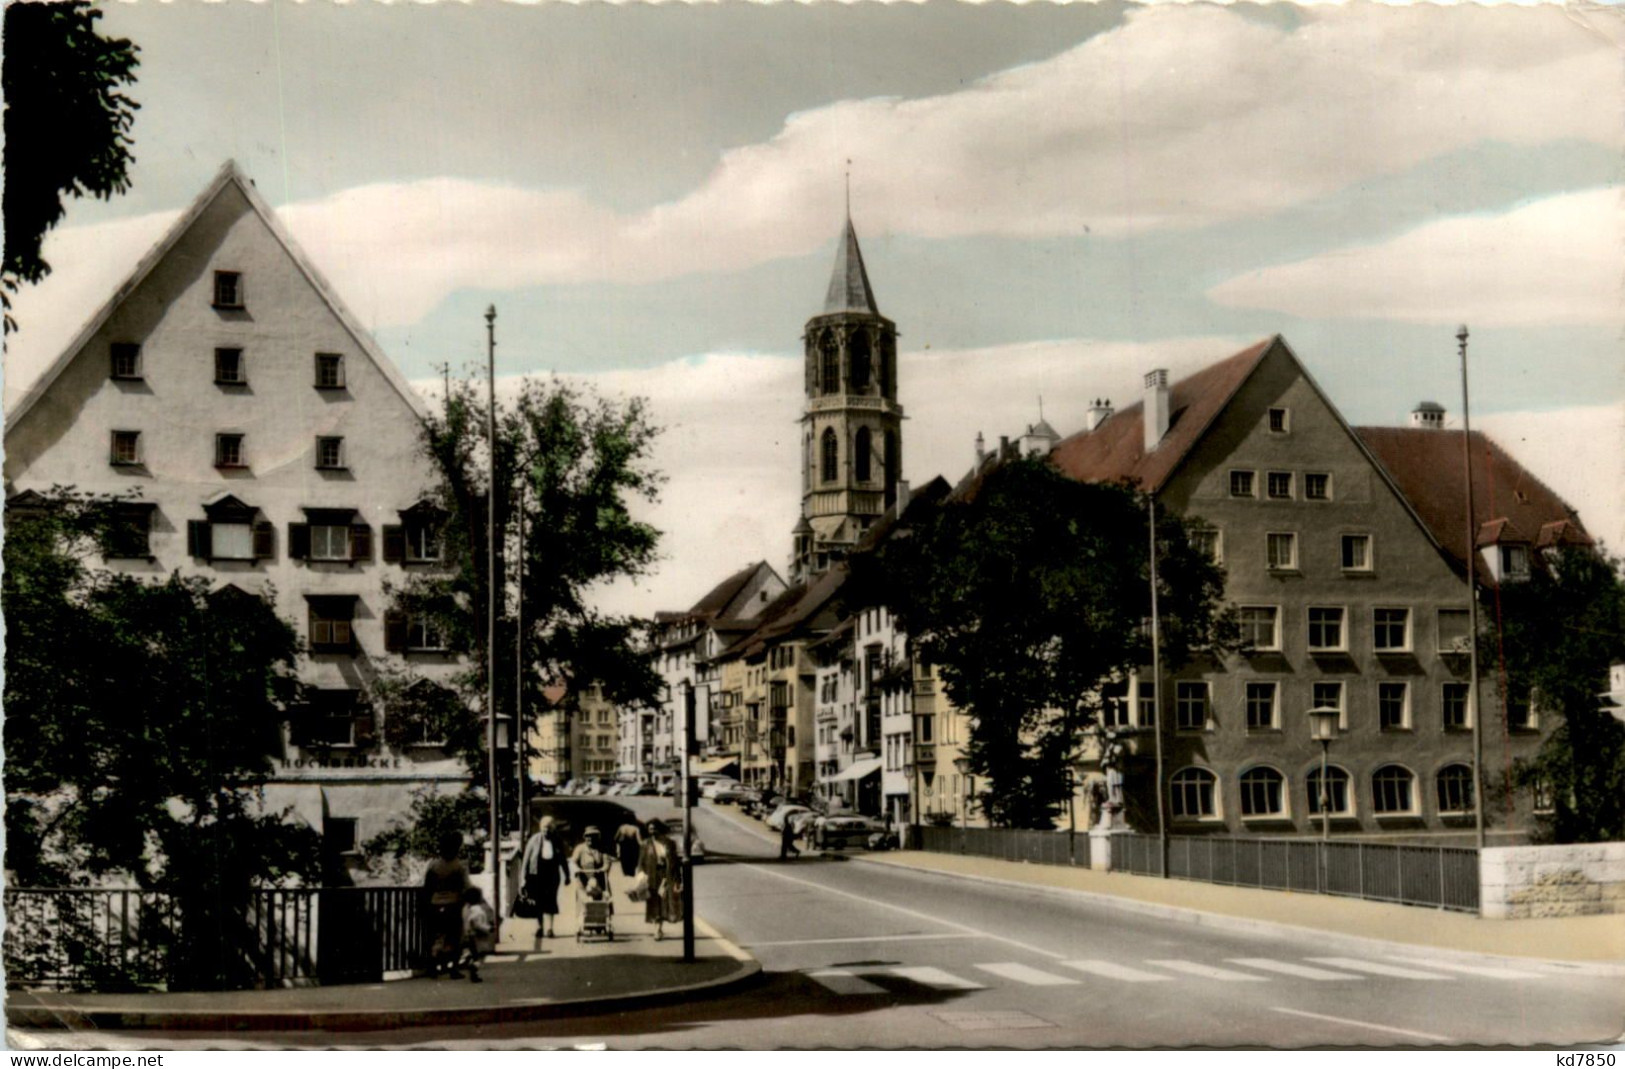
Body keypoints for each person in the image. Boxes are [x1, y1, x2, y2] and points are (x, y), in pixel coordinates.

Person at [422, 831, 470, 978]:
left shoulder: (433, 865)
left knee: (436, 937)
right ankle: (453, 969)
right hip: (453, 905)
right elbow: (465, 887)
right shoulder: (459, 866)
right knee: (453, 938)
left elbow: (427, 886)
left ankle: (433, 967)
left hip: (435, 904)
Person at [519, 814, 569, 946]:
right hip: (536, 874)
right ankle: (539, 927)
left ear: (552, 829)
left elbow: (563, 859)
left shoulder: (557, 840)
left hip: (552, 874)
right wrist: (523, 878)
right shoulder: (534, 840)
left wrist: (567, 875)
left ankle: (550, 928)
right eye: (543, 829)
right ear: (540, 828)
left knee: (551, 901)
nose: (546, 831)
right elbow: (526, 860)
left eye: (548, 828)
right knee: (538, 901)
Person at [638, 819, 682, 941]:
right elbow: (641, 862)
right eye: (650, 829)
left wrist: (678, 880)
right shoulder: (645, 844)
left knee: (662, 900)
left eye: (655, 828)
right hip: (651, 876)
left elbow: (675, 863)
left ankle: (658, 928)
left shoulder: (669, 843)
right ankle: (656, 929)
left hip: (664, 876)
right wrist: (641, 876)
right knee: (653, 902)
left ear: (660, 829)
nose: (652, 831)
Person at [460, 886, 495, 983]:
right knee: (479, 955)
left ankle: (470, 961)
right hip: (477, 935)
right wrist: (489, 928)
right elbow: (477, 923)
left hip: (468, 933)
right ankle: (473, 968)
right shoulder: (477, 910)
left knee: (473, 952)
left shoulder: (465, 908)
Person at [571, 825, 611, 900]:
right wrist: (577, 869)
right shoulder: (580, 848)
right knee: (584, 901)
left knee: (604, 901)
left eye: (593, 836)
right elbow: (573, 861)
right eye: (587, 836)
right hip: (583, 879)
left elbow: (607, 863)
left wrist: (602, 869)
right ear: (584, 837)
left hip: (600, 879)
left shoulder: (603, 849)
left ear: (597, 837)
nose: (590, 838)